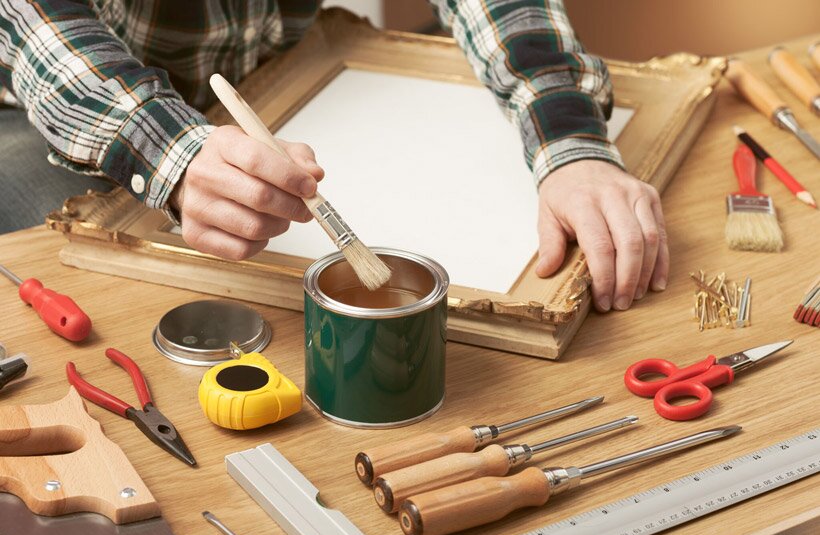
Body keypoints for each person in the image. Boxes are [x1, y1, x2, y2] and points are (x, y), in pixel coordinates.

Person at [0, 0, 668, 313]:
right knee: (108, 295)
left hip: (277, 78)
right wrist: (173, 154)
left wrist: (569, 141)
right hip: (69, 106)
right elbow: (34, 21)